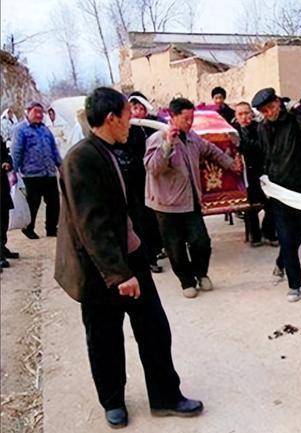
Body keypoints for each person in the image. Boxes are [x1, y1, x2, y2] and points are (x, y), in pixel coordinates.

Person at [54, 87, 203, 429]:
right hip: (98, 268)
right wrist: (120, 276)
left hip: (130, 254)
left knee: (154, 329)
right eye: (127, 115)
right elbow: (91, 225)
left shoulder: (117, 148)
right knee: (105, 337)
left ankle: (166, 396)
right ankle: (113, 401)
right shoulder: (82, 159)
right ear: (111, 119)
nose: (132, 120)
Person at [145, 97, 240, 298]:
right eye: (186, 118)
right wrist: (168, 145)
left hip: (190, 200)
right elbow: (153, 168)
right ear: (172, 117)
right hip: (166, 205)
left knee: (201, 241)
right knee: (175, 246)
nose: (190, 122)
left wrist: (231, 164)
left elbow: (210, 150)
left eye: (192, 118)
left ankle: (201, 273)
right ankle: (186, 281)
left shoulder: (192, 137)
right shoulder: (157, 138)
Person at [252, 87, 301, 302]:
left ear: (278, 102)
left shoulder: (295, 119)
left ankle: (281, 262)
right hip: (278, 191)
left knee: (299, 233)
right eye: (265, 110)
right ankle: (295, 284)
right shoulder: (263, 128)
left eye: (272, 107)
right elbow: (265, 154)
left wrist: (299, 110)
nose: (270, 112)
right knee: (285, 235)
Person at [111, 92, 164, 273]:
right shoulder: (123, 131)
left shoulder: (151, 128)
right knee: (138, 219)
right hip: (130, 183)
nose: (139, 112)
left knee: (152, 217)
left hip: (149, 181)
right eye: (135, 109)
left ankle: (156, 250)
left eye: (142, 109)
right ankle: (147, 257)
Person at [10, 101, 62, 239]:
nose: (39, 115)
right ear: (28, 112)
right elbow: (16, 152)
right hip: (31, 174)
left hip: (49, 172)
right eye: (36, 112)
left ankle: (51, 228)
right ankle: (28, 227)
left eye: (41, 112)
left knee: (54, 202)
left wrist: (60, 166)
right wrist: (13, 172)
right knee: (33, 203)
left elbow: (54, 150)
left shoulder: (45, 130)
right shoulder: (20, 130)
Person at [232, 101, 277, 247]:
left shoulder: (260, 128)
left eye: (246, 113)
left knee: (272, 204)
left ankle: (268, 232)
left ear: (252, 113)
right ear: (236, 116)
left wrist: (242, 142)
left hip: (260, 172)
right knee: (249, 207)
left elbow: (261, 148)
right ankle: (255, 235)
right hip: (242, 175)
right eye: (240, 114)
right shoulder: (232, 131)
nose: (244, 117)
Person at [1, 136, 19, 269]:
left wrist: (7, 163)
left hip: (2, 187)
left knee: (3, 219)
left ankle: (2, 247)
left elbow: (6, 155)